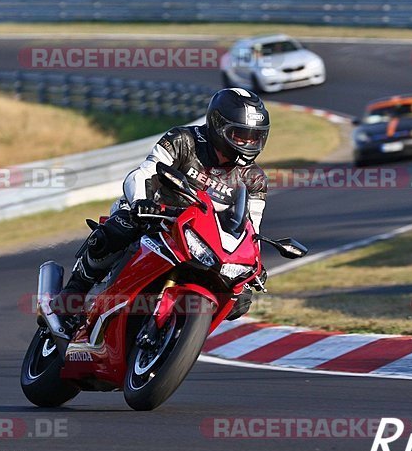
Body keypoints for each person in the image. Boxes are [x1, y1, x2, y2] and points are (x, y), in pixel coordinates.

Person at [51, 88, 271, 333]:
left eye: (255, 137)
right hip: (154, 214)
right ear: (218, 126)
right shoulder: (183, 140)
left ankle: (178, 331)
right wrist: (141, 203)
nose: (248, 143)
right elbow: (143, 173)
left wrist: (255, 266)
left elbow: (252, 228)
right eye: (240, 136)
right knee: (121, 227)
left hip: (202, 238)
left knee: (238, 301)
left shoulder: (254, 179)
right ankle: (75, 290)